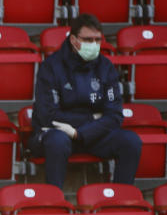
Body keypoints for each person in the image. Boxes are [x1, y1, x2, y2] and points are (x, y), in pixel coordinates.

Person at [29, 13, 141, 190]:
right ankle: (54, 201)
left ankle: (121, 198)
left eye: (98, 40)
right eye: (88, 39)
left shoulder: (106, 68)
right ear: (74, 39)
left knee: (131, 141)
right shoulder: (51, 67)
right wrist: (93, 119)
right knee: (57, 140)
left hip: (91, 135)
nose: (94, 45)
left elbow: (115, 115)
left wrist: (79, 132)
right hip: (60, 133)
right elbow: (48, 114)